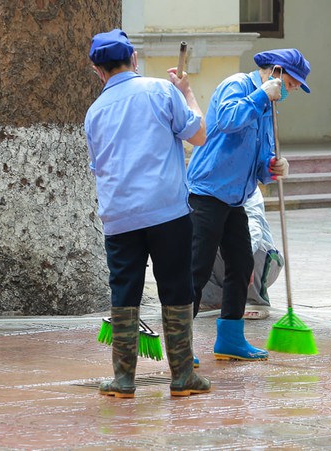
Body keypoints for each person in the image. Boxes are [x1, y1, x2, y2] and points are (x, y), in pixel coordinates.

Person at [84, 29, 210, 398]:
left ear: (97, 70)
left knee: (124, 290)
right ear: (134, 58)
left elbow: (99, 165)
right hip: (166, 210)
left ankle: (123, 380)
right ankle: (183, 376)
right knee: (176, 286)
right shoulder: (161, 90)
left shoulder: (95, 112)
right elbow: (198, 135)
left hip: (119, 215)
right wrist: (187, 92)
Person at [188, 48, 310, 361]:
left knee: (242, 266)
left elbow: (260, 163)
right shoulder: (237, 85)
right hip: (207, 192)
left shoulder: (268, 108)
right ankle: (180, 342)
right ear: (277, 72)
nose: (290, 91)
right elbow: (228, 120)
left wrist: (274, 166)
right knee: (196, 269)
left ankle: (230, 338)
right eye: (292, 84)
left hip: (235, 199)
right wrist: (260, 96)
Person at [200, 186, 283, 320]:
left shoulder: (246, 187)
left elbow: (254, 224)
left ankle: (255, 301)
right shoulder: (200, 187)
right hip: (221, 265)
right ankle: (213, 300)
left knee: (248, 244)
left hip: (260, 263)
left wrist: (244, 258)